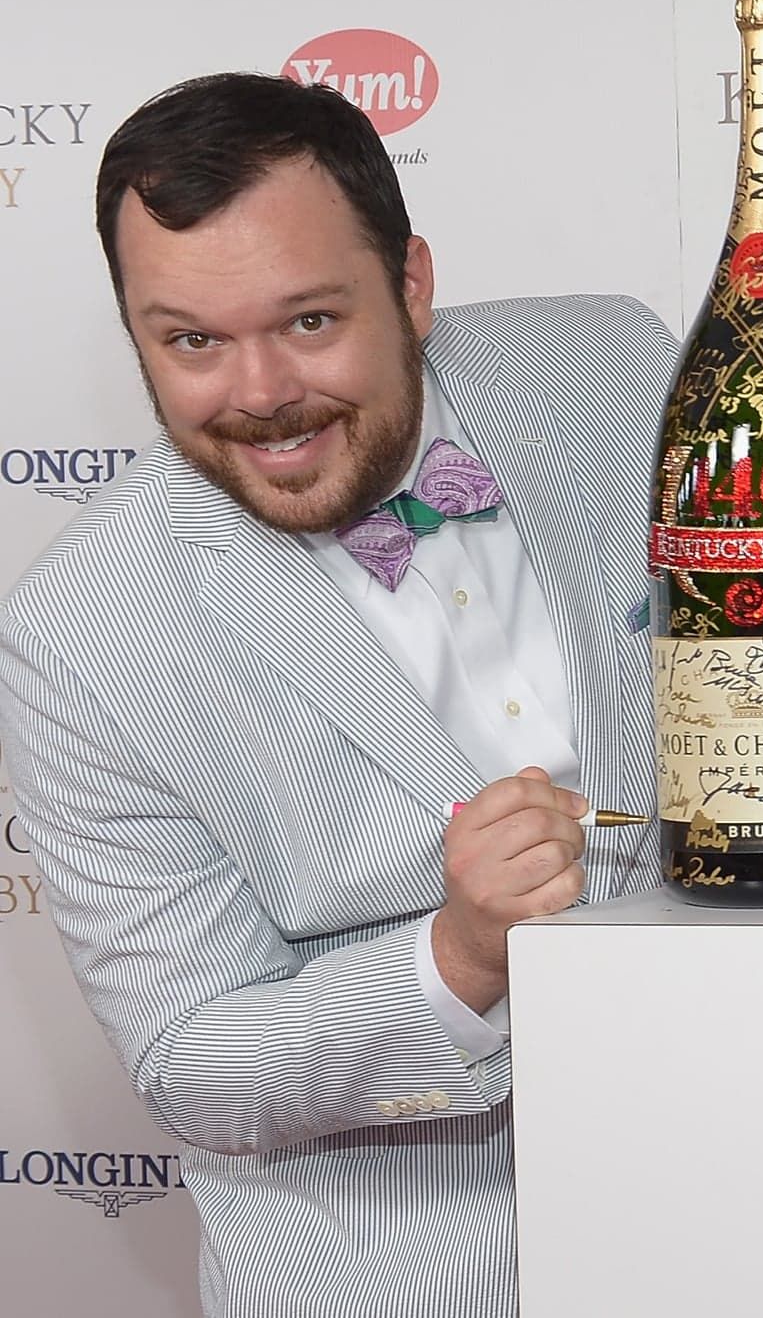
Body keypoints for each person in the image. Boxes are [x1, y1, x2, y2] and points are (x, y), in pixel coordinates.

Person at [0, 73, 678, 1317]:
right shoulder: (81, 635)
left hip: (755, 1192)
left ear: (411, 284)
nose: (259, 392)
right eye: (191, 341)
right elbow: (191, 1061)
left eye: (309, 320)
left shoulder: (622, 369)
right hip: (413, 1276)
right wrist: (456, 958)